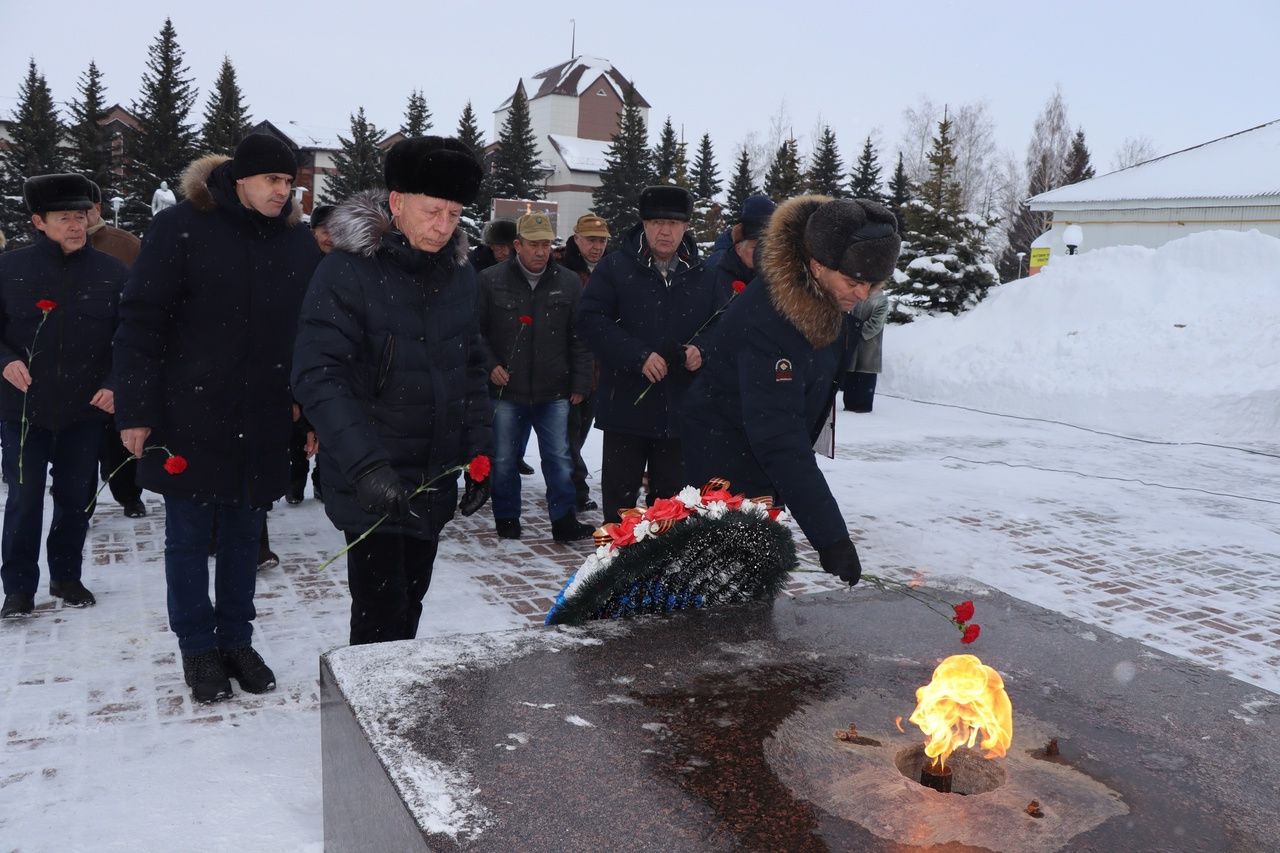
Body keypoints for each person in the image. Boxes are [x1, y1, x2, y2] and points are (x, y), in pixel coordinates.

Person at [113, 134, 321, 702]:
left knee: (244, 533)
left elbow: (308, 336)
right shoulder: (181, 227)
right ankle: (197, 648)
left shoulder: (297, 244)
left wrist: (307, 411)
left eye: (290, 181)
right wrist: (135, 408)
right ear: (240, 178)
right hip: (190, 413)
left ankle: (236, 639)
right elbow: (140, 321)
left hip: (263, 415)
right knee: (186, 537)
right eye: (274, 180)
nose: (285, 191)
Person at [291, 136, 493, 646]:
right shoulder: (347, 270)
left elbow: (470, 368)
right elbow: (318, 374)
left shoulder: (458, 275)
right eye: (432, 211)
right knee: (380, 613)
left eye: (453, 213)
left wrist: (480, 452)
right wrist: (366, 466)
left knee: (411, 602)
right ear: (398, 202)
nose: (443, 226)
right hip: (372, 474)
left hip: (431, 474)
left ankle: (398, 704)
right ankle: (367, 715)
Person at [680, 196, 901, 587]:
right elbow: (779, 438)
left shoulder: (825, 300)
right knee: (723, 592)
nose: (863, 295)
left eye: (871, 284)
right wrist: (831, 538)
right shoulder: (770, 321)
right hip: (724, 472)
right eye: (853, 283)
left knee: (751, 587)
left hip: (763, 469)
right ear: (817, 266)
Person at [0, 174, 127, 618]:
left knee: (77, 498)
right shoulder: (9, 269)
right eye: (63, 218)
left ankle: (66, 576)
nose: (76, 225)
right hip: (22, 410)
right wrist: (5, 360)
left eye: (82, 216)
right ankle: (17, 587)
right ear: (38, 221)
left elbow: (129, 339)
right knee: (24, 498)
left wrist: (114, 383)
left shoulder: (112, 273)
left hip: (84, 412)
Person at [576, 186, 726, 523]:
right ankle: (615, 571)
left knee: (672, 511)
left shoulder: (705, 276)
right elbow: (589, 321)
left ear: (687, 227)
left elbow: (724, 327)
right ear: (643, 224)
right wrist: (637, 355)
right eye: (657, 222)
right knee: (620, 511)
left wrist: (702, 350)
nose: (665, 231)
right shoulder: (616, 268)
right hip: (626, 409)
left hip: (681, 415)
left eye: (674, 223)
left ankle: (663, 572)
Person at [478, 212, 593, 542]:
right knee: (503, 459)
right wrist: (490, 365)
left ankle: (563, 519)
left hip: (553, 389)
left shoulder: (568, 282)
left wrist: (580, 382)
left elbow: (579, 337)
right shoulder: (490, 280)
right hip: (506, 390)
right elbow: (476, 333)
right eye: (534, 245)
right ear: (517, 245)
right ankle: (507, 517)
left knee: (558, 458)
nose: (541, 252)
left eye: (546, 244)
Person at [86, 181, 146, 518]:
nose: (81, 218)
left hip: (117, 349)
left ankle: (129, 494)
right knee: (78, 440)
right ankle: (82, 502)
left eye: (87, 209)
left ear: (99, 208)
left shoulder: (124, 244)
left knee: (117, 434)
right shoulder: (56, 244)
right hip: (76, 355)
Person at [560, 213, 611, 512]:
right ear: (577, 239)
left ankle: (571, 485)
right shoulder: (564, 271)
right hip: (567, 369)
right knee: (568, 435)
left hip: (599, 372)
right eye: (591, 240)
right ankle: (574, 488)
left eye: (602, 240)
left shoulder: (610, 270)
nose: (597, 246)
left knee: (579, 434)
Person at [710, 194, 775, 291]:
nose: (763, 253)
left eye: (769, 246)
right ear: (739, 249)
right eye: (755, 247)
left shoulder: (779, 278)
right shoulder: (715, 277)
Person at [843, 282, 889, 413]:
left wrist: (855, 329)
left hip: (870, 347)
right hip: (852, 345)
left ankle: (863, 406)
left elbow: (875, 325)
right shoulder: (858, 297)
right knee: (851, 376)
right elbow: (847, 316)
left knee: (865, 377)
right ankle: (850, 404)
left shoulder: (882, 301)